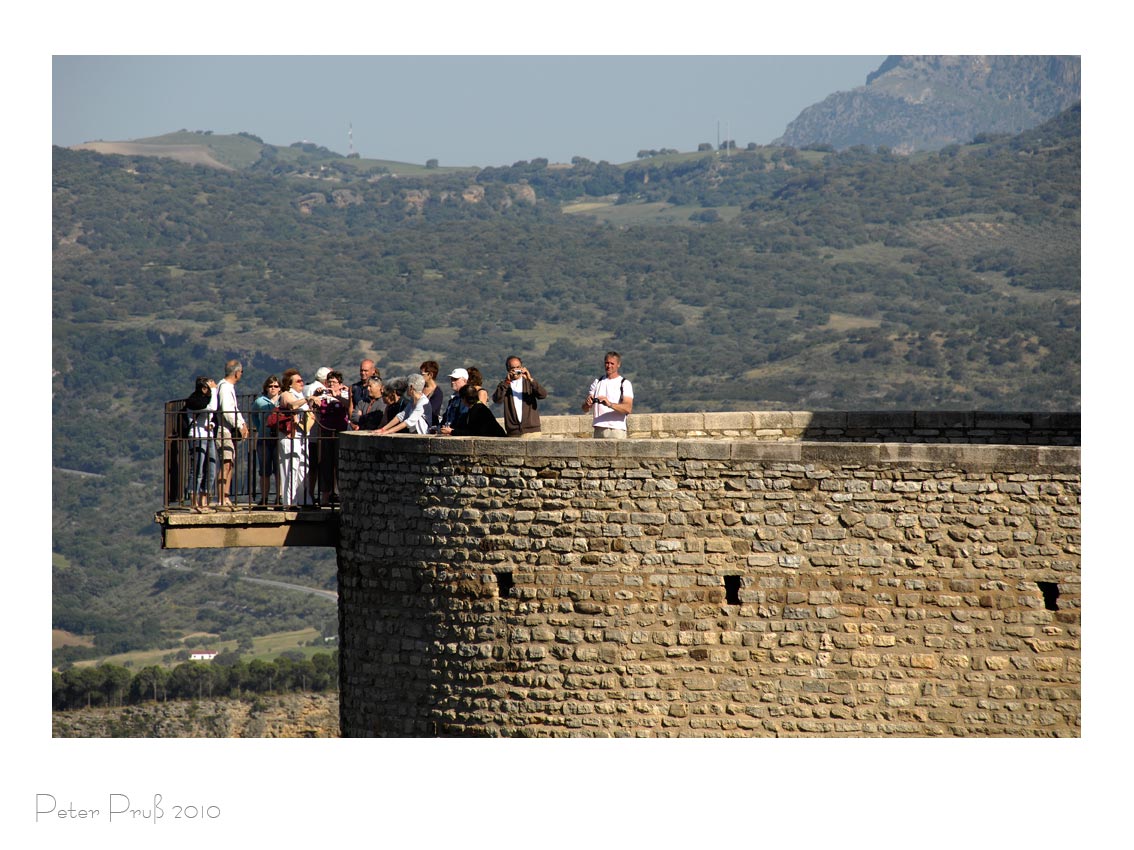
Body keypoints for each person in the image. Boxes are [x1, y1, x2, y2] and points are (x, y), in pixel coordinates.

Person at [311, 370, 351, 504]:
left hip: (340, 432)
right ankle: (325, 496)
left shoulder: (344, 394)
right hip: (325, 432)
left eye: (334, 382)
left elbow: (349, 407)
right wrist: (315, 396)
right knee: (325, 464)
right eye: (329, 382)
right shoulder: (324, 395)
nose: (331, 384)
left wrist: (338, 396)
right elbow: (313, 409)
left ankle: (341, 494)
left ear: (340, 383)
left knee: (339, 464)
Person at [276, 369, 314, 506]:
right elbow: (292, 405)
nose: (302, 382)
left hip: (302, 435)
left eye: (302, 380)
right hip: (290, 436)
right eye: (298, 381)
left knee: (303, 468)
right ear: (290, 384)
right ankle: (289, 501)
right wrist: (308, 399)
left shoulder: (300, 395)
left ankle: (304, 499)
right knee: (291, 468)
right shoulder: (286, 394)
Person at [215, 359, 249, 509]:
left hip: (228, 429)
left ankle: (226, 496)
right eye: (241, 372)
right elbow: (228, 410)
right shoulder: (225, 388)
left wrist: (242, 423)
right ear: (237, 373)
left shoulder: (226, 387)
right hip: (224, 430)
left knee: (230, 463)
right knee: (226, 463)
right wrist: (238, 425)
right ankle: (222, 498)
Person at [582, 350, 634, 439]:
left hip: (616, 429)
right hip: (598, 428)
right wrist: (587, 403)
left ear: (618, 364)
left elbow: (628, 408)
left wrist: (610, 404)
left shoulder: (624, 383)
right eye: (607, 363)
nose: (609, 366)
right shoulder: (597, 382)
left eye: (612, 363)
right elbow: (585, 409)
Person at [184, 376, 217, 512]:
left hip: (208, 436)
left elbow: (210, 416)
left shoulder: (205, 400)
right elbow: (212, 409)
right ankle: (193, 502)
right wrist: (215, 391)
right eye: (209, 388)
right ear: (204, 389)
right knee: (197, 469)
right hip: (197, 437)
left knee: (211, 469)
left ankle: (204, 501)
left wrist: (211, 424)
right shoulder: (193, 401)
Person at [492, 356, 547, 437]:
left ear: (522, 367)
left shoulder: (528, 383)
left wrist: (530, 379)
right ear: (508, 369)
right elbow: (497, 399)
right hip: (513, 432)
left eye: (518, 367)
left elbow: (543, 395)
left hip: (532, 431)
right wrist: (506, 382)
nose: (516, 370)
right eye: (513, 368)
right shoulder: (504, 385)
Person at [250, 375, 281, 505]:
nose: (273, 388)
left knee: (279, 470)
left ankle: (279, 497)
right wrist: (260, 428)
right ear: (266, 388)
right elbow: (254, 416)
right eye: (270, 386)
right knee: (264, 470)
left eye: (275, 386)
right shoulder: (259, 401)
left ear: (279, 388)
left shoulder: (283, 400)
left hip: (279, 438)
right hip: (264, 438)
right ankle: (264, 498)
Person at [439, 368, 469, 434]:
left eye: (455, 379)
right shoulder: (453, 398)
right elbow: (446, 416)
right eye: (452, 379)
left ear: (465, 380)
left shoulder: (466, 398)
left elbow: (462, 418)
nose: (452, 382)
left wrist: (452, 431)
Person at [350, 359, 378, 427]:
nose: (363, 373)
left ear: (373, 371)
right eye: (361, 370)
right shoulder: (353, 388)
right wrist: (353, 424)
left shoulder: (378, 388)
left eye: (366, 371)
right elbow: (351, 407)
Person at [420, 360, 444, 431]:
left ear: (430, 375)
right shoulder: (420, 388)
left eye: (422, 374)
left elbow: (431, 411)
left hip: (428, 427)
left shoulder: (437, 393)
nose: (420, 377)